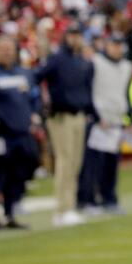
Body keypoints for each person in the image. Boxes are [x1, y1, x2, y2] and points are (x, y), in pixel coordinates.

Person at [0, 36, 40, 230]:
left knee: (18, 174)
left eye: (10, 49)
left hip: (21, 132)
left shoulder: (24, 73)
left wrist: (34, 114)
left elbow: (34, 97)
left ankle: (10, 212)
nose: (7, 52)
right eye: (2, 49)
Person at [37, 24, 94, 227]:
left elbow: (87, 89)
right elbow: (37, 77)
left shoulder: (81, 61)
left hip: (79, 115)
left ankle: (69, 206)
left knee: (75, 162)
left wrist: (89, 111)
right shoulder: (57, 59)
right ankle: (61, 209)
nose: (75, 39)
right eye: (72, 34)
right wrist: (44, 105)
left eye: (78, 35)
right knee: (64, 161)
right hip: (61, 116)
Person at [80, 34, 131, 215]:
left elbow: (125, 93)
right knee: (93, 163)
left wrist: (130, 118)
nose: (117, 49)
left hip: (116, 120)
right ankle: (88, 199)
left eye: (119, 45)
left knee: (111, 164)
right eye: (113, 45)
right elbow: (87, 89)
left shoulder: (126, 67)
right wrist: (94, 114)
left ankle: (109, 198)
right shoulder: (95, 63)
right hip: (99, 121)